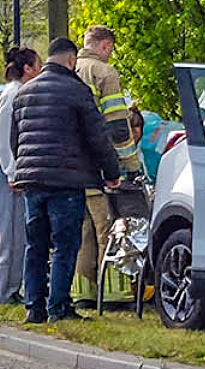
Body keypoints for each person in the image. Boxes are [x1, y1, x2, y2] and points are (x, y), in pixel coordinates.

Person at [11, 36, 122, 323]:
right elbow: (97, 137)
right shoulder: (76, 91)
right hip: (66, 182)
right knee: (65, 245)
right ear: (72, 60)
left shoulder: (25, 93)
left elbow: (16, 141)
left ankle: (33, 306)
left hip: (33, 182)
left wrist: (27, 170)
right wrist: (112, 173)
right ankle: (58, 308)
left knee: (35, 246)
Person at [73, 25, 143, 305]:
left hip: (74, 167)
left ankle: (82, 293)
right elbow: (117, 126)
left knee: (83, 231)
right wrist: (130, 164)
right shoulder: (105, 73)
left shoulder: (70, 69)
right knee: (110, 229)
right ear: (104, 46)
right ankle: (111, 293)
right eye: (110, 48)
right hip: (101, 167)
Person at [0, 45, 40, 305]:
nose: (40, 69)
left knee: (18, 233)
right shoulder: (13, 95)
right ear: (27, 68)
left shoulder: (17, 92)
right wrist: (12, 171)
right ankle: (3, 293)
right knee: (7, 233)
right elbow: (3, 138)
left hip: (11, 167)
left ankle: (11, 289)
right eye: (36, 65)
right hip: (4, 167)